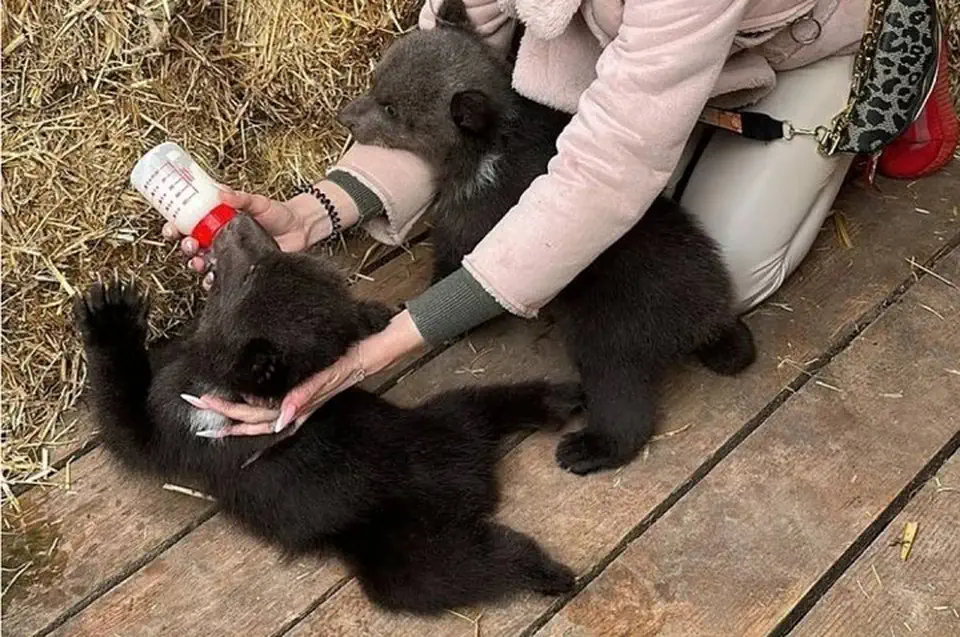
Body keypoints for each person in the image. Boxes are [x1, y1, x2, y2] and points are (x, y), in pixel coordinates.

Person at [165, 0, 955, 436]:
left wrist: (379, 349)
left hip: (786, 50)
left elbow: (607, 170)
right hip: (629, 48)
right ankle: (675, 141)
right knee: (576, 208)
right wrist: (321, 207)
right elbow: (461, 67)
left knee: (721, 277)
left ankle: (888, 87)